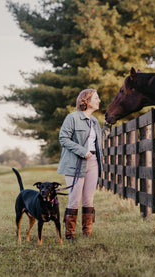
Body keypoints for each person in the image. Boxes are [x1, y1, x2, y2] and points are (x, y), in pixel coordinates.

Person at [57, 88, 102, 242]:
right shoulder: (72, 118)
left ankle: (87, 233)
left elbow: (97, 143)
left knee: (88, 200)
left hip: (93, 163)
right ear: (86, 100)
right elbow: (63, 138)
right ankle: (69, 235)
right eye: (96, 98)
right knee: (74, 199)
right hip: (75, 162)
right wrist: (82, 151)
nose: (99, 100)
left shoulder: (95, 121)